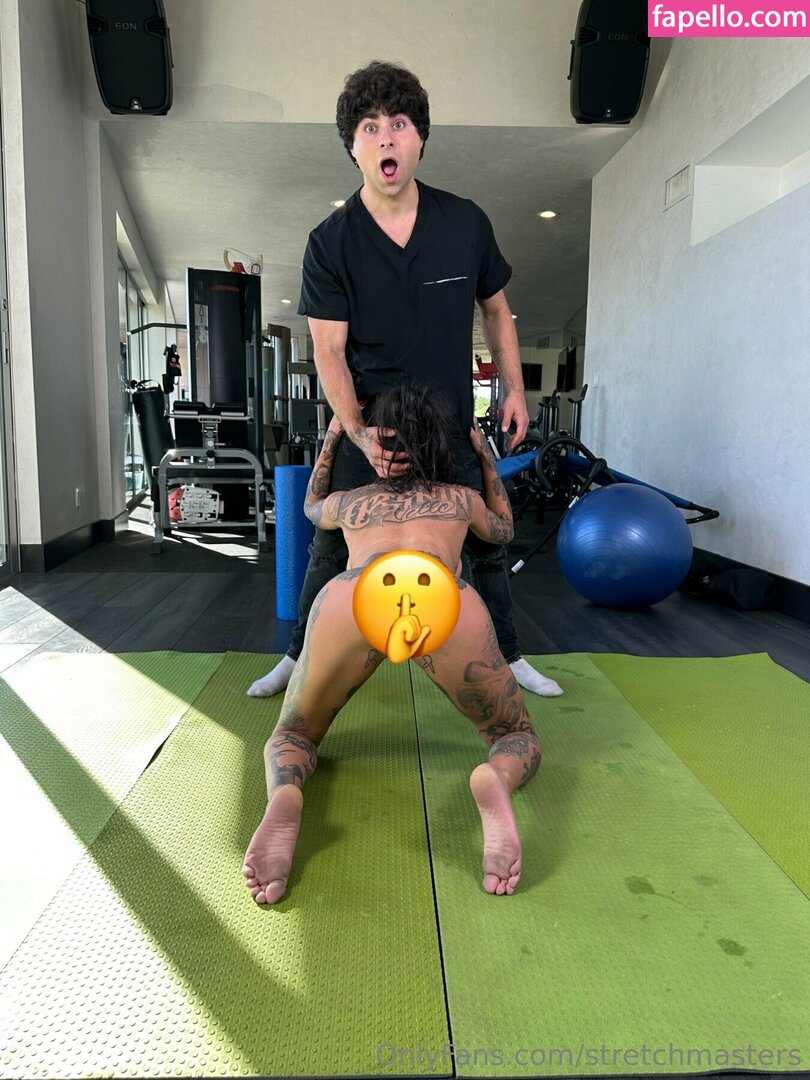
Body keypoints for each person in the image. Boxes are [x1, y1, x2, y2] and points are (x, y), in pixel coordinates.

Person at [247, 60, 562, 700]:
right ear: (353, 146)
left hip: (449, 419)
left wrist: (514, 389)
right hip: (373, 421)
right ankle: (296, 655)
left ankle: (510, 655)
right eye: (370, 126)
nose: (385, 137)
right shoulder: (330, 243)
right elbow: (328, 350)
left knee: (486, 542)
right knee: (329, 546)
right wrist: (358, 434)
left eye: (398, 123)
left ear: (419, 138)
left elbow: (496, 309)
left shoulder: (464, 223)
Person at [243, 382, 542, 903]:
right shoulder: (460, 500)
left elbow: (310, 505)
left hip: (354, 595)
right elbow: (503, 529)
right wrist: (483, 453)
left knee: (293, 735)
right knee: (516, 736)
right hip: (441, 597)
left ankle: (286, 794)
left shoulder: (353, 503)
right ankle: (496, 776)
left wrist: (335, 435)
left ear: (377, 443)